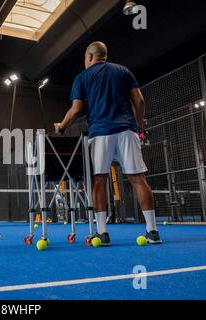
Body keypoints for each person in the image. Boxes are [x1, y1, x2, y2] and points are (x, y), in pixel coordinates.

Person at [54, 41, 161, 246]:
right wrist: (138, 127)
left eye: (85, 58)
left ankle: (102, 233)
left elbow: (76, 110)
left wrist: (62, 126)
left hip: (100, 134)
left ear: (90, 57)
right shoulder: (123, 71)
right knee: (138, 178)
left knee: (99, 181)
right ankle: (153, 231)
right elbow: (139, 101)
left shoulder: (82, 77)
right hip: (127, 131)